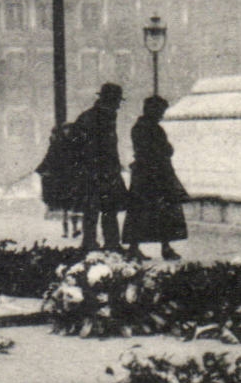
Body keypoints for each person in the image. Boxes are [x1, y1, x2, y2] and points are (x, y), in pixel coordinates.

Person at [122, 95, 189, 261]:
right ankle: (163, 247)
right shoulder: (151, 128)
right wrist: (165, 151)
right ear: (152, 110)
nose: (161, 114)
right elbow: (164, 150)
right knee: (161, 211)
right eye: (160, 111)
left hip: (146, 174)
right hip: (155, 174)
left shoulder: (140, 127)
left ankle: (135, 247)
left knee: (142, 212)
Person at [71, 82, 129, 252]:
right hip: (98, 172)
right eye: (117, 101)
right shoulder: (98, 118)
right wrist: (102, 167)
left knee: (98, 208)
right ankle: (103, 243)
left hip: (98, 171)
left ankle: (97, 243)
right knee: (102, 209)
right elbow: (92, 147)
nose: (119, 105)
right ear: (110, 100)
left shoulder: (95, 116)